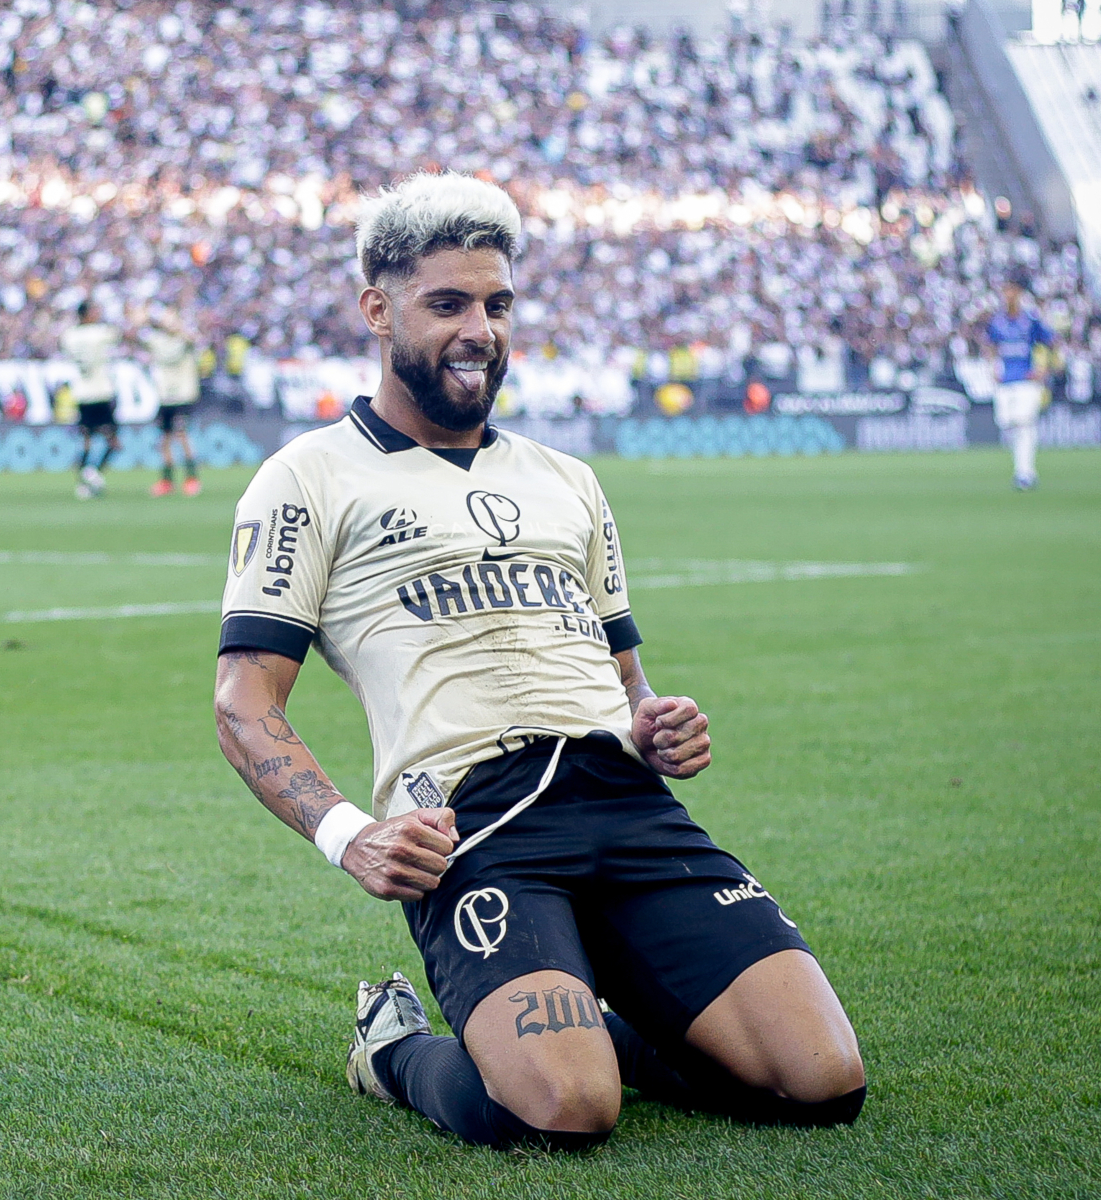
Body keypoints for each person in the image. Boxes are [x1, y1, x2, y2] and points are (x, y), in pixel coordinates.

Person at [213, 173, 865, 1152]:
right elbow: (242, 700)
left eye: (497, 304)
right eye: (448, 304)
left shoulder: (568, 481)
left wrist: (654, 717)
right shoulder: (307, 477)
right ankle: (391, 1049)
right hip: (478, 824)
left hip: (625, 802)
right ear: (377, 310)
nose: (479, 328)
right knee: (563, 1110)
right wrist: (351, 835)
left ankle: (602, 1020)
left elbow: (629, 678)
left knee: (821, 1082)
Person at [987, 278, 1054, 490]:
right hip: (1006, 381)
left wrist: (1043, 368)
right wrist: (992, 367)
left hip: (1026, 380)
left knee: (1024, 424)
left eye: (1012, 291)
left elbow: (1050, 342)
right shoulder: (997, 321)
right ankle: (1023, 470)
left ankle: (1025, 473)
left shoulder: (1030, 320)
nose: (1009, 296)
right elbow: (990, 345)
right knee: (1007, 422)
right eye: (1005, 291)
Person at [61, 300, 121, 499]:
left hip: (82, 393)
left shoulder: (69, 336)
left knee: (86, 441)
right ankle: (92, 474)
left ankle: (84, 484)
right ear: (87, 314)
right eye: (95, 311)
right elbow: (119, 335)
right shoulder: (99, 333)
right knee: (113, 442)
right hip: (101, 392)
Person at [141, 310, 202, 496]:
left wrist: (180, 329)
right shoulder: (157, 341)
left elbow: (195, 340)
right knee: (165, 440)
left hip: (183, 396)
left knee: (182, 435)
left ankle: (192, 478)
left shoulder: (184, 341)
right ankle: (167, 481)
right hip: (165, 397)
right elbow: (138, 337)